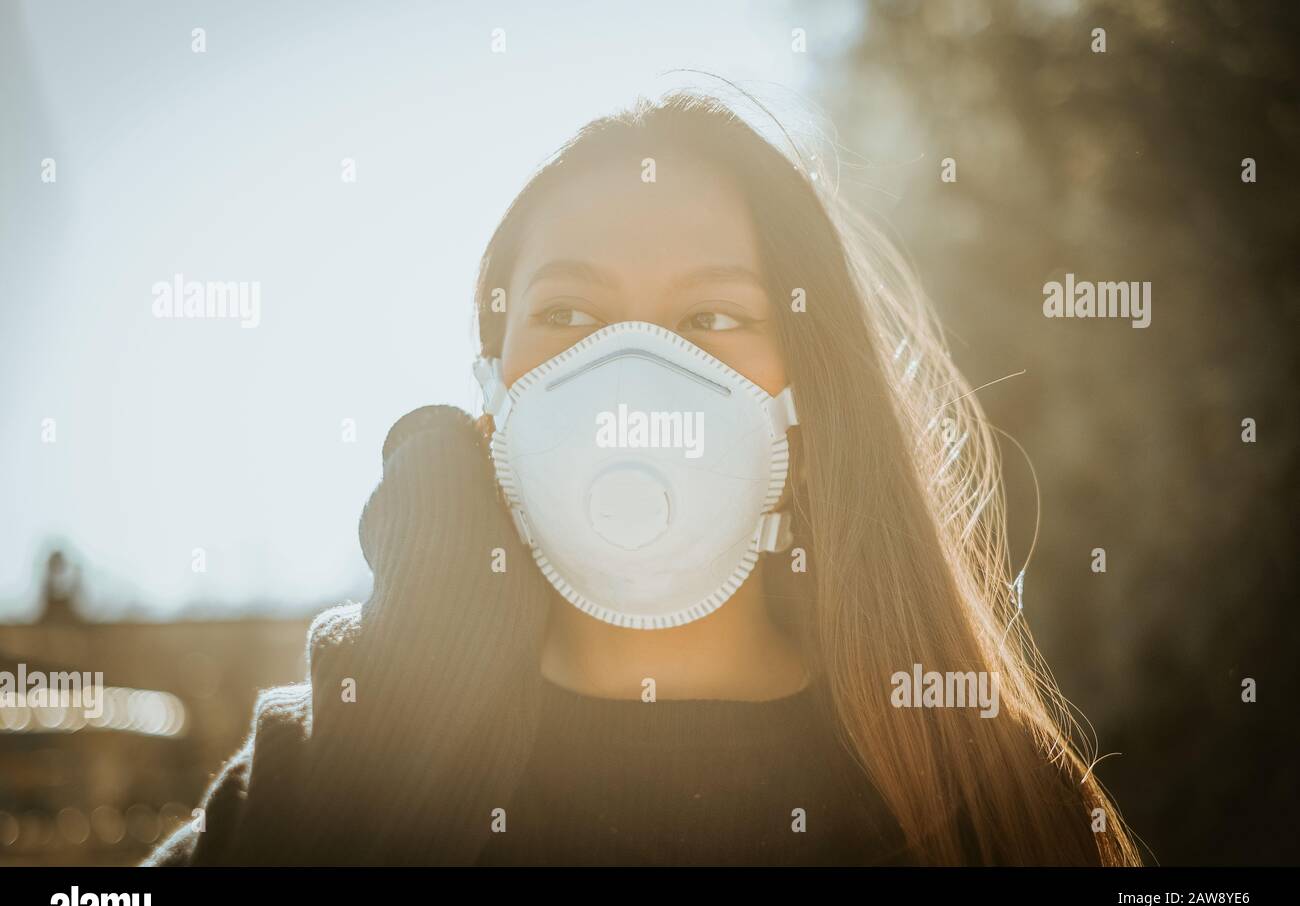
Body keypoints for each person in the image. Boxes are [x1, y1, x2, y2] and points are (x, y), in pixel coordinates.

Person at [144, 88, 1142, 866]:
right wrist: (387, 748)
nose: (629, 375)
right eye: (569, 315)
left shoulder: (988, 801)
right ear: (494, 392)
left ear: (808, 390)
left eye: (712, 317)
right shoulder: (342, 769)